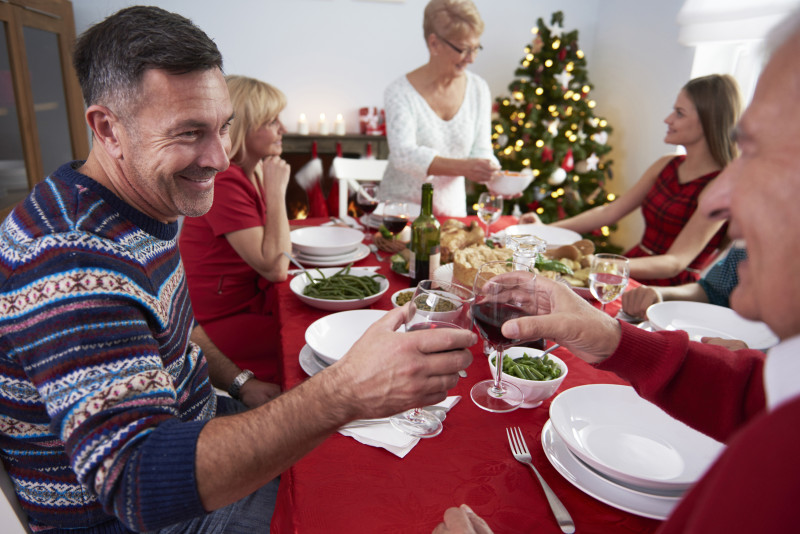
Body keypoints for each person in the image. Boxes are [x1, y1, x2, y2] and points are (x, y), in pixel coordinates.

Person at [0, 7, 475, 533]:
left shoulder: (135, 205)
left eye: (223, 128)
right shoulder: (69, 260)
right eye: (188, 133)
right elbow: (135, 483)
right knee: (381, 506)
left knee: (378, 469)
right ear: (108, 128)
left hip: (200, 423)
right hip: (141, 517)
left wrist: (242, 382)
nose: (220, 158)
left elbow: (178, 332)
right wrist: (343, 391)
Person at [437, 9, 800, 531]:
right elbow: (748, 396)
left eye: (762, 151)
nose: (720, 198)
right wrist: (611, 338)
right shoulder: (781, 398)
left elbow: (679, 263)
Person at [520, 75, 741, 286]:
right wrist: (545, 230)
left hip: (665, 290)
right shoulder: (666, 164)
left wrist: (601, 264)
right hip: (628, 267)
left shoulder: (721, 186)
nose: (668, 119)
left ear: (708, 121)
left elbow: (675, 263)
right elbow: (608, 212)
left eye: (679, 113)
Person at [179, 75, 290, 392]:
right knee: (304, 348)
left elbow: (275, 245)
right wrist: (277, 191)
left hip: (249, 302)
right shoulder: (225, 181)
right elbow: (276, 266)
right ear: (244, 127)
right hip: (214, 323)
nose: (282, 127)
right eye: (271, 121)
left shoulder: (251, 169)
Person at [379, 0, 500, 217]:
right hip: (400, 216)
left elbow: (482, 150)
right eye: (463, 49)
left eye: (476, 48)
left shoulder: (478, 89)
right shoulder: (399, 92)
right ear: (434, 43)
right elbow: (404, 155)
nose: (471, 59)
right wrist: (464, 168)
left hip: (452, 215)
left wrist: (495, 177)